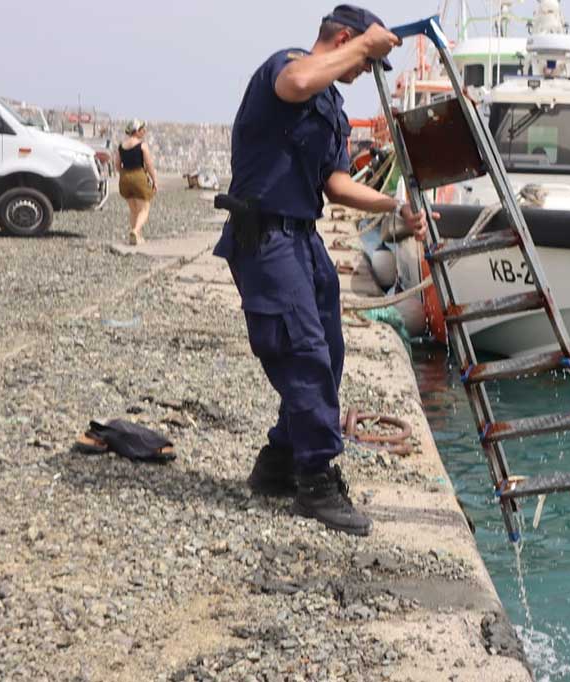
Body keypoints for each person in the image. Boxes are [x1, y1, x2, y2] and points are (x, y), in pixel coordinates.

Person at [213, 5, 433, 537]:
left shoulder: (331, 103)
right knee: (301, 349)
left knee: (327, 352)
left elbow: (335, 184)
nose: (362, 73)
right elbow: (299, 80)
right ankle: (315, 477)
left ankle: (277, 462)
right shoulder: (288, 67)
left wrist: (393, 208)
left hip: (302, 237)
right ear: (342, 38)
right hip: (264, 236)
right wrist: (363, 48)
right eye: (360, 58)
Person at [115, 119, 157, 245]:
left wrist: (124, 173)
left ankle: (136, 237)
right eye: (142, 129)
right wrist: (154, 180)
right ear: (136, 131)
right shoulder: (142, 145)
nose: (144, 131)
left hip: (125, 177)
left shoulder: (121, 146)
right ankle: (135, 230)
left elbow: (117, 165)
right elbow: (149, 165)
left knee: (133, 210)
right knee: (144, 209)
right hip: (138, 175)